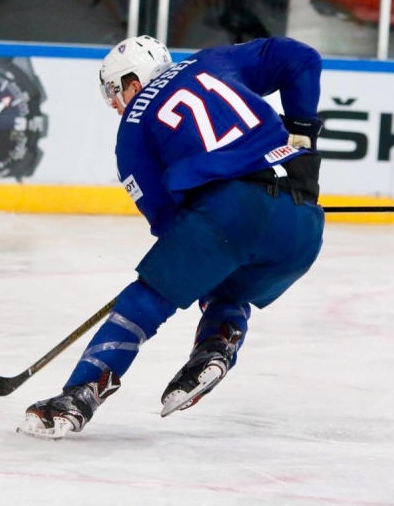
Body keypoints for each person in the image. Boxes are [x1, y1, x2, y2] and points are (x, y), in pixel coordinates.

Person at [17, 35, 325, 440]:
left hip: (234, 213)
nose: (114, 102)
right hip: (304, 223)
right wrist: (301, 130)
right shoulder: (214, 59)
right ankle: (216, 345)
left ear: (134, 81)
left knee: (146, 296)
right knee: (228, 285)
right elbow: (301, 58)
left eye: (114, 90)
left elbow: (168, 219)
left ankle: (80, 394)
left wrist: (173, 269)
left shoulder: (132, 128)